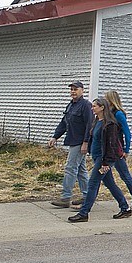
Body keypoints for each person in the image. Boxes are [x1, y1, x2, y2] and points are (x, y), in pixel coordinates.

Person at [68, 96, 131, 222]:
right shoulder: (97, 121)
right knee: (110, 184)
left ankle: (84, 213)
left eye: (95, 106)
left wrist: (106, 162)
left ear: (102, 108)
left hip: (104, 159)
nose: (92, 108)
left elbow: (111, 145)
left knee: (92, 184)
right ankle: (125, 208)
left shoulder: (110, 124)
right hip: (97, 157)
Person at [47, 80, 93, 209]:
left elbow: (89, 125)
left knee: (70, 168)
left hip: (80, 142)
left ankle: (65, 197)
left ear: (82, 90)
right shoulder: (71, 105)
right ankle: (87, 196)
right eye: (71, 89)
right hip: (72, 140)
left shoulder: (86, 106)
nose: (73, 92)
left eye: (75, 89)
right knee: (80, 170)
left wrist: (86, 142)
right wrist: (55, 136)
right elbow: (64, 123)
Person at [102, 89, 132, 211]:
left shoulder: (118, 114)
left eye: (106, 97)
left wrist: (127, 149)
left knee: (125, 175)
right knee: (104, 176)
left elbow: (127, 132)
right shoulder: (107, 113)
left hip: (116, 150)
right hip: (109, 150)